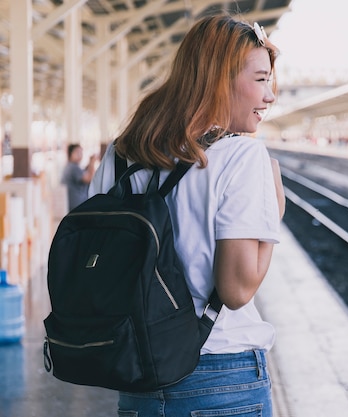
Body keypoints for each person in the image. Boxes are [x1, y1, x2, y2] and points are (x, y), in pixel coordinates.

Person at [88, 14, 285, 417]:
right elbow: (236, 290)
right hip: (223, 376)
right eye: (261, 79)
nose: (270, 96)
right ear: (219, 78)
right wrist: (273, 214)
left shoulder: (123, 153)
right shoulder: (241, 156)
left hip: (138, 377)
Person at [61, 144, 97, 211]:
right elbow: (89, 179)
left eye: (81, 152)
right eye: (77, 152)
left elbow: (85, 172)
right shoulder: (73, 167)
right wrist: (92, 162)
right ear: (70, 153)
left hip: (73, 204)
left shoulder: (70, 166)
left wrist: (90, 163)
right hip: (78, 205)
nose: (80, 155)